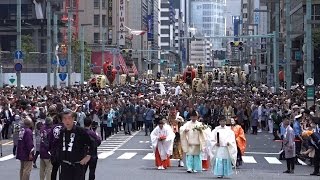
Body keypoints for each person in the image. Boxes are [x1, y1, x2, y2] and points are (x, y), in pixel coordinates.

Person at [57, 110, 94, 180]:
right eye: (65, 119)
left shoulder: (80, 131)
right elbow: (59, 146)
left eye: (69, 118)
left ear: (73, 119)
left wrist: (88, 156)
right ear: (62, 120)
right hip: (65, 166)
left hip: (77, 166)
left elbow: (93, 143)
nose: (67, 121)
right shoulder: (62, 132)